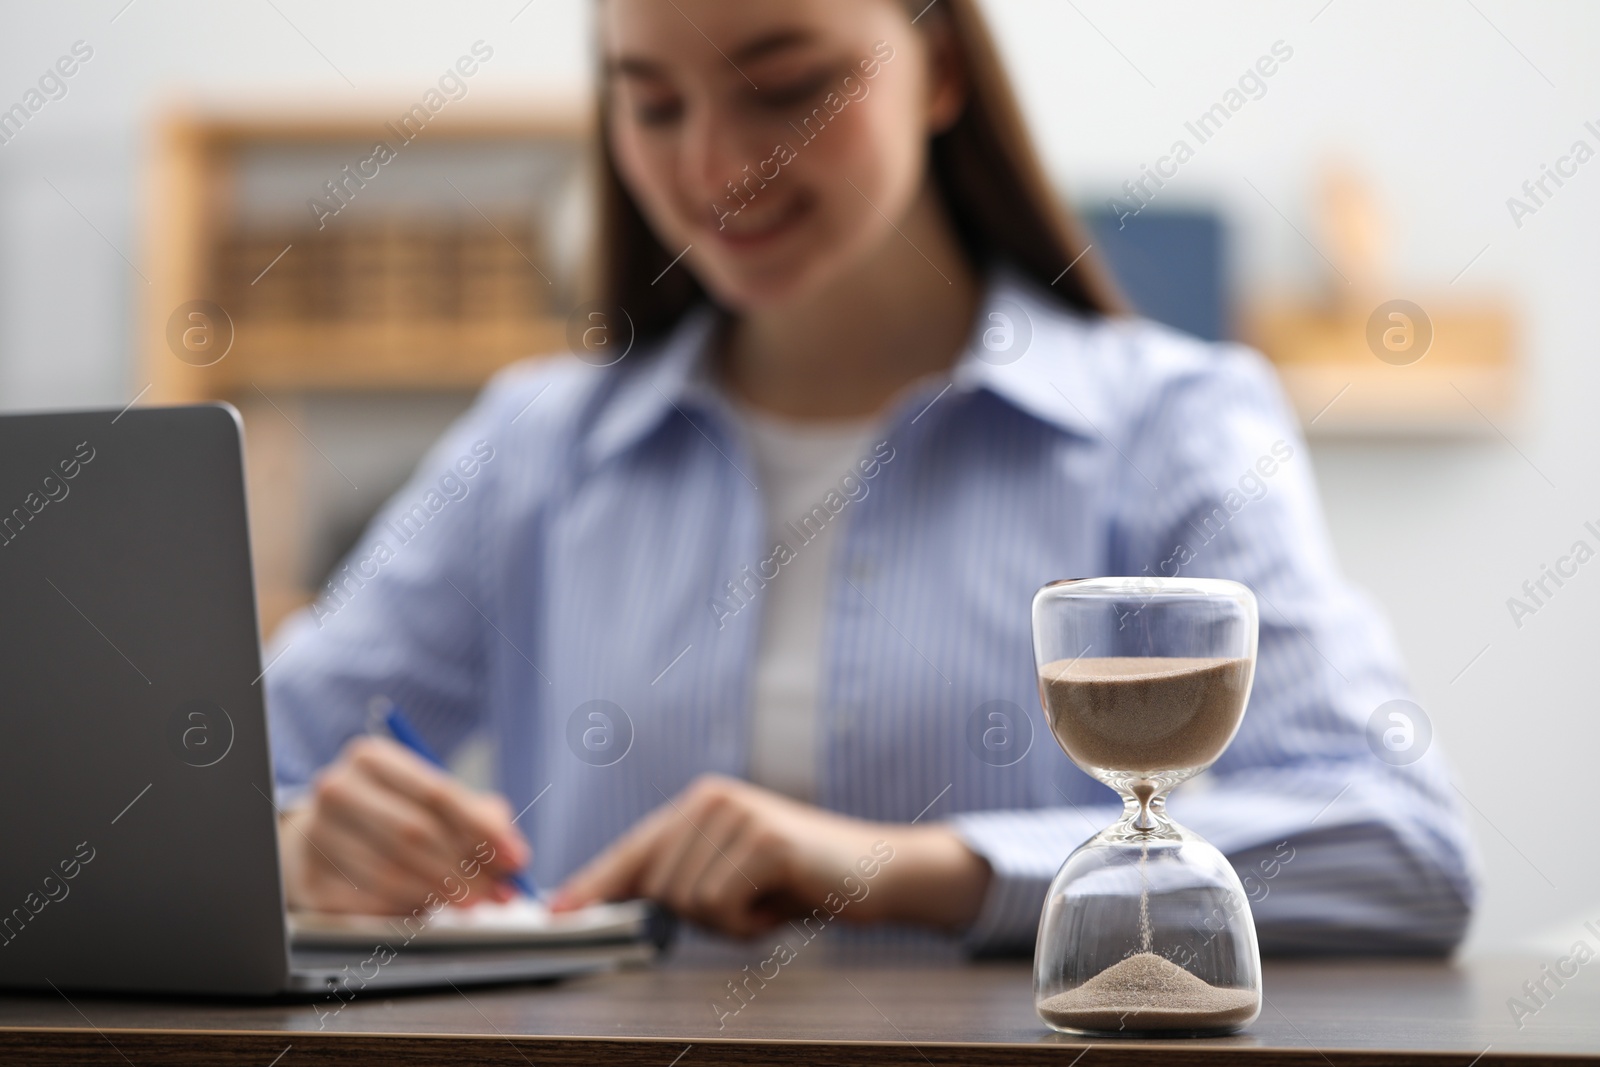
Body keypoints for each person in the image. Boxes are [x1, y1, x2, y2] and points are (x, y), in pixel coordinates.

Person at [266, 0, 1476, 955]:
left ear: (939, 67)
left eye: (788, 89)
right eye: (650, 102)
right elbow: (197, 776)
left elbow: (1402, 845)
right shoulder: (531, 446)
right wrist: (294, 844)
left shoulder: (1167, 425)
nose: (717, 166)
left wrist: (907, 870)